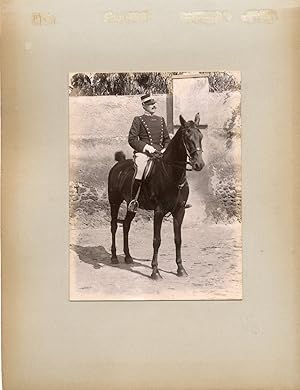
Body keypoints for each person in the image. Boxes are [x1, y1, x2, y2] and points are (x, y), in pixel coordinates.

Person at [127, 93, 170, 212]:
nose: (153, 105)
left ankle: (175, 199)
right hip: (145, 153)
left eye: (154, 103)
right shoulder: (138, 120)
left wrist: (165, 149)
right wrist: (147, 147)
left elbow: (166, 139)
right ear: (143, 106)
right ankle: (134, 200)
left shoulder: (161, 120)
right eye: (150, 104)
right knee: (140, 169)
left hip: (160, 152)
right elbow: (132, 139)